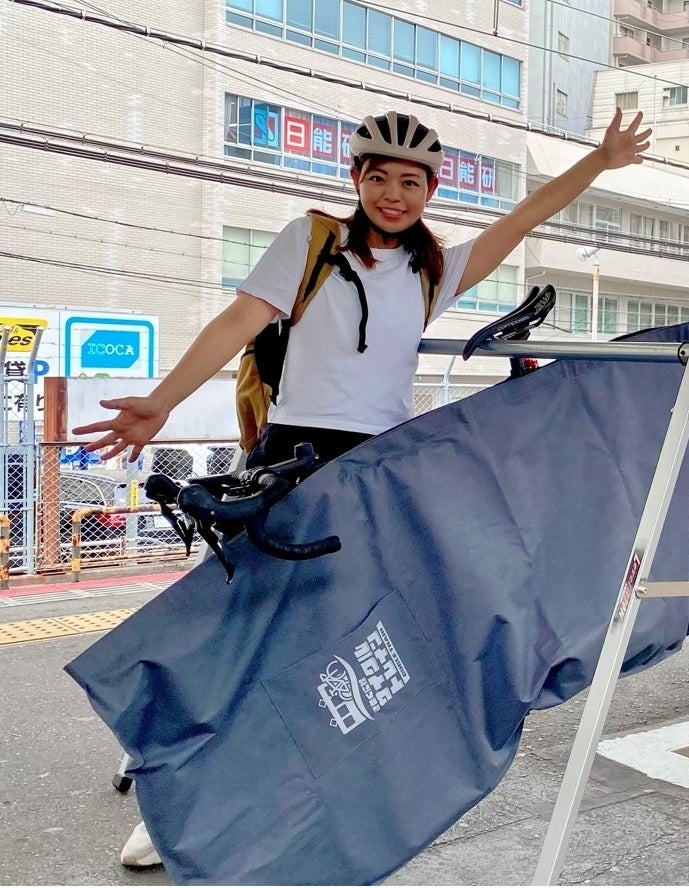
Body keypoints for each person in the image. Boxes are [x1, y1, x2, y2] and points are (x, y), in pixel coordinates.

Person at [73, 107, 651, 868]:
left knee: (330, 639)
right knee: (241, 627)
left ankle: (269, 775)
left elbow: (523, 217)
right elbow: (234, 323)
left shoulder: (434, 271)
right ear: (355, 179)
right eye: (377, 176)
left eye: (410, 181)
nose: (392, 193)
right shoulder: (309, 245)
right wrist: (164, 400)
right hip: (293, 459)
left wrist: (597, 162)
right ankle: (170, 791)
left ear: (429, 191)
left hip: (379, 471)